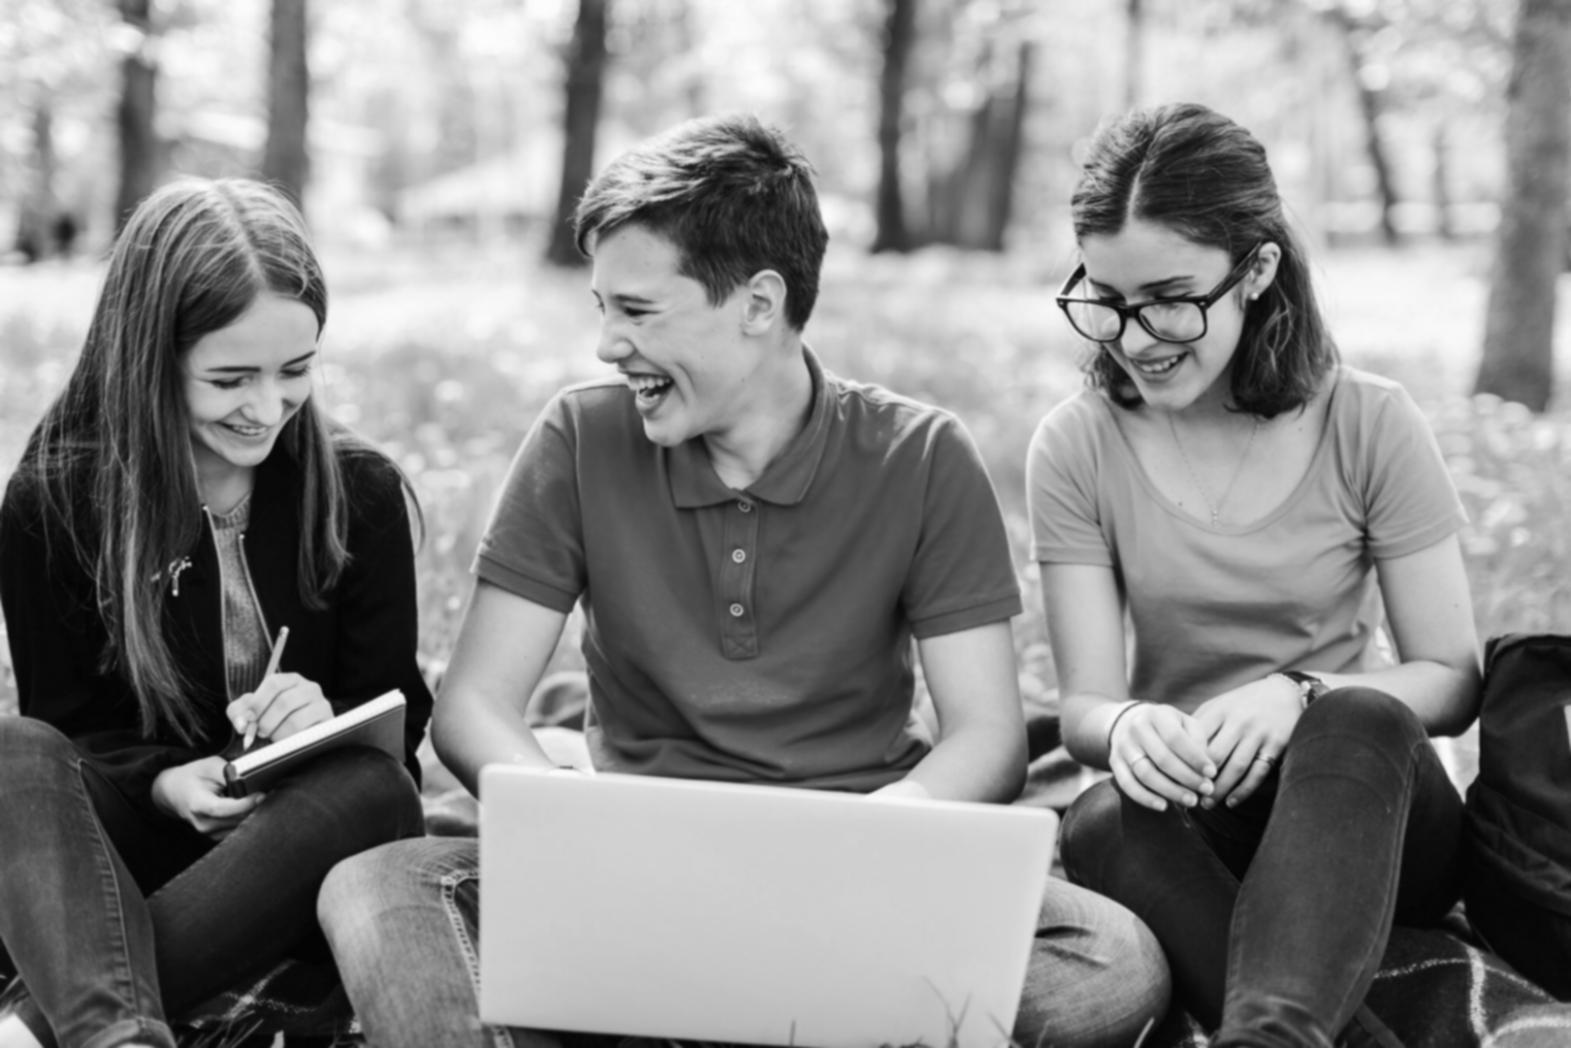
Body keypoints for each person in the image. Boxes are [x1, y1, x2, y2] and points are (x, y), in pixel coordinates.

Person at [316, 113, 1170, 1048]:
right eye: (601, 307)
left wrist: (863, 843)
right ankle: (773, 1016)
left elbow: (988, 736)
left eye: (637, 311)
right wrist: (575, 819)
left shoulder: (920, 456)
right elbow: (474, 704)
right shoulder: (579, 439)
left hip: (856, 873)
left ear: (759, 304)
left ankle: (670, 1016)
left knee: (1108, 964)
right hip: (629, 867)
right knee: (376, 889)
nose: (607, 344)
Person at [1030, 102, 1481, 1048]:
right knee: (1102, 814)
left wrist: (1300, 693)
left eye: (1167, 296)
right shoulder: (1076, 444)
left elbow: (1448, 677)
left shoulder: (1370, 422)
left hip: (1366, 805)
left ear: (1257, 271)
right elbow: (1083, 710)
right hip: (1199, 812)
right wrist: (1125, 724)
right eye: (1104, 298)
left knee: (1357, 713)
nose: (1134, 335)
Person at [0, 178, 432, 1048]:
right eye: (230, 378)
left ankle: (45, 1028)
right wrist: (164, 783)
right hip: (128, 857)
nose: (267, 407)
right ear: (148, 358)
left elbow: (397, 712)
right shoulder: (57, 501)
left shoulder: (359, 493)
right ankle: (114, 1034)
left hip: (296, 851)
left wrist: (326, 718)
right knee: (13, 752)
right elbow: (71, 728)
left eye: (296, 371)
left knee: (371, 785)